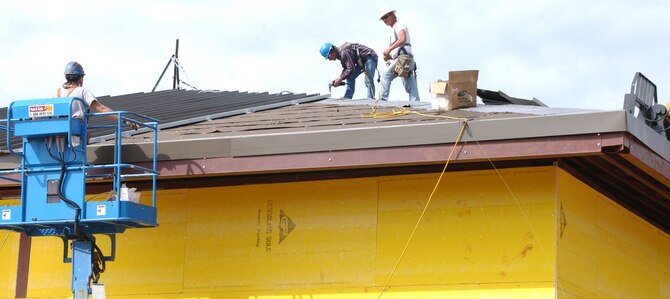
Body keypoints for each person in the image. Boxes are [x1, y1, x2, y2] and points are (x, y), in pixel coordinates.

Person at [55, 61, 139, 129]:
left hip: (56, 136)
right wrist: (124, 120)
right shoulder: (83, 91)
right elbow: (101, 109)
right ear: (80, 78)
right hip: (75, 134)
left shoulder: (56, 93)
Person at [378, 7, 420, 102]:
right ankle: (416, 102)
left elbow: (402, 39)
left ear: (393, 15)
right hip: (406, 58)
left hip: (403, 57)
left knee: (385, 76)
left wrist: (389, 49)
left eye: (386, 16)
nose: (385, 19)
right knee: (408, 79)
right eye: (383, 18)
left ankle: (382, 99)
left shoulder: (398, 25)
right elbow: (400, 45)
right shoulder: (395, 28)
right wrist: (389, 56)